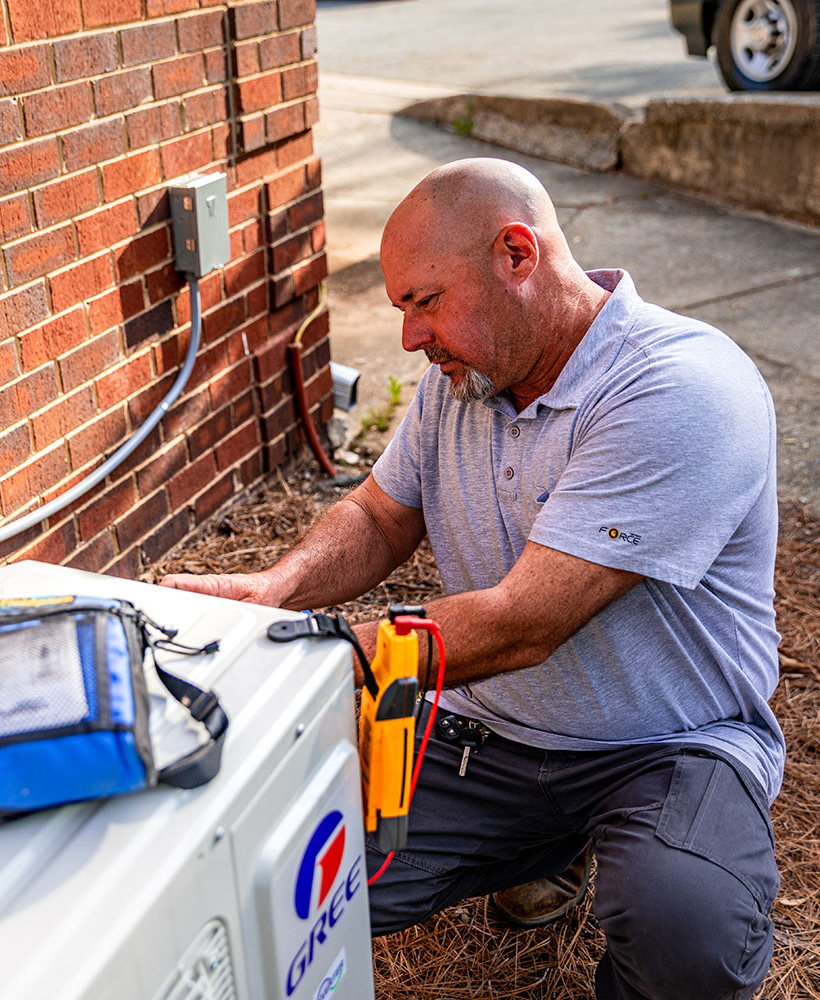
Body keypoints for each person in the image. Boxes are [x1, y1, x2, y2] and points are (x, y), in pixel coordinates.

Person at [162, 158, 782, 1000]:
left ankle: (620, 843)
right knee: (295, 876)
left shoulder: (679, 390)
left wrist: (297, 652)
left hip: (666, 743)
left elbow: (524, 623)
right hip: (484, 741)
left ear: (517, 255)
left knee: (685, 926)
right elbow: (381, 516)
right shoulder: (460, 382)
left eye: (425, 301)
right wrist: (279, 588)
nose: (410, 338)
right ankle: (546, 843)